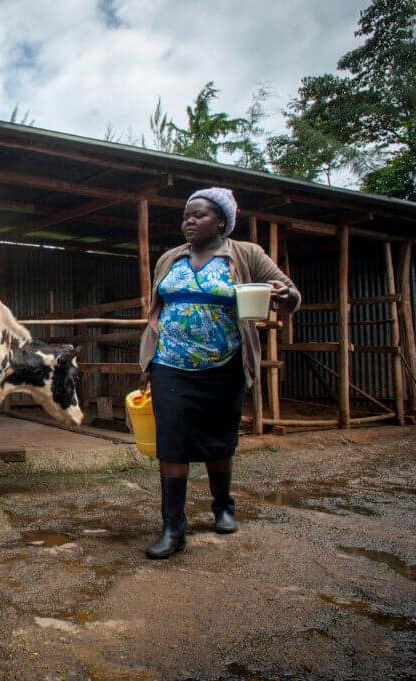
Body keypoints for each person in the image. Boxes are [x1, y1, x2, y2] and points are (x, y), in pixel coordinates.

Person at [137, 187, 300, 559]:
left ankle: (222, 506)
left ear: (222, 222)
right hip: (170, 364)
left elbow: (290, 294)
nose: (189, 222)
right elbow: (156, 311)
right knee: (172, 442)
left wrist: (284, 297)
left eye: (198, 216)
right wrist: (147, 364)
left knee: (218, 441)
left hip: (224, 364)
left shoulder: (245, 254)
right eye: (186, 216)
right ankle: (173, 529)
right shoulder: (170, 259)